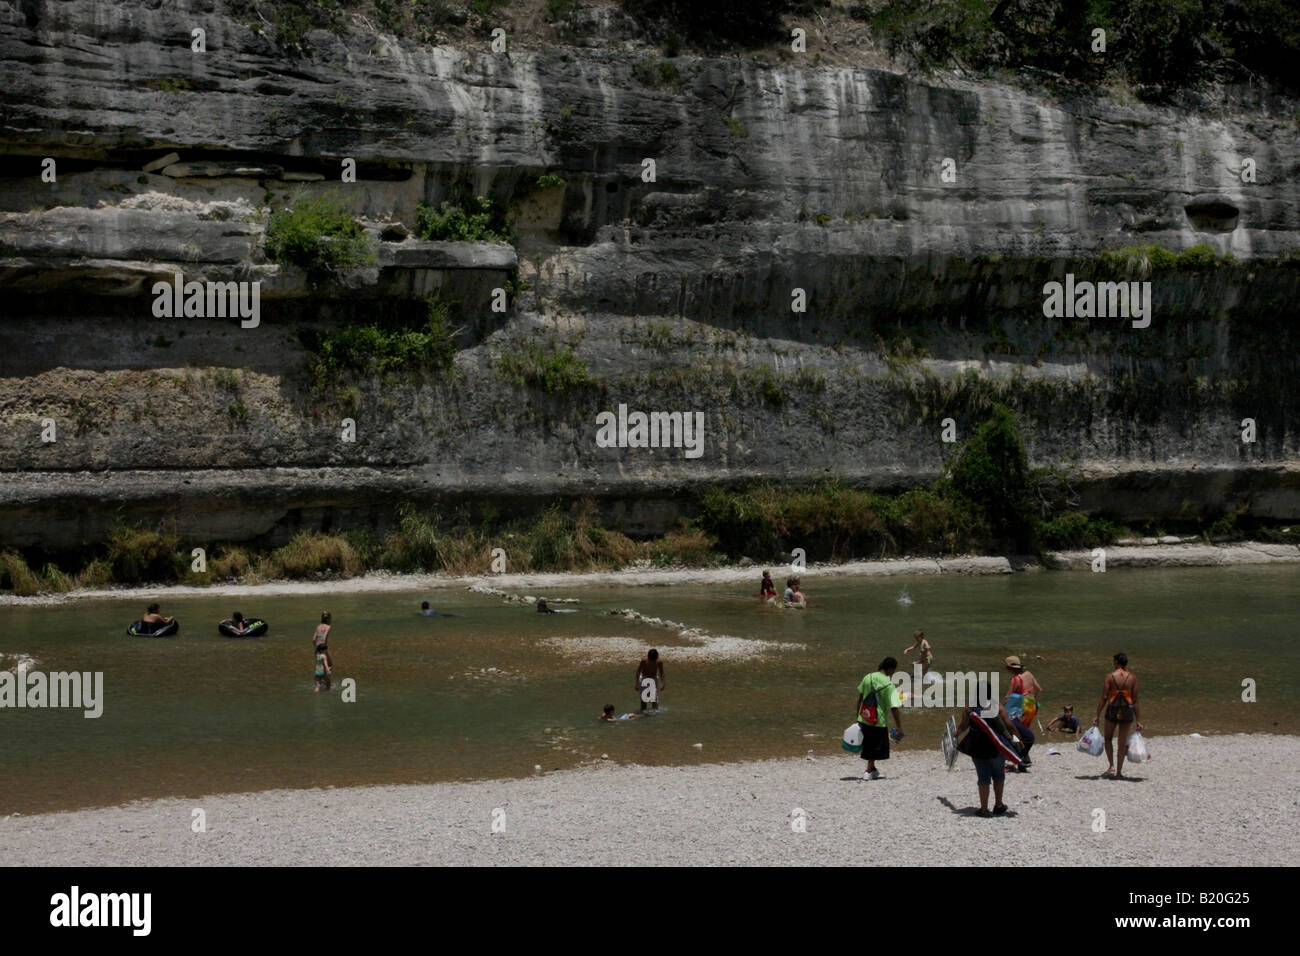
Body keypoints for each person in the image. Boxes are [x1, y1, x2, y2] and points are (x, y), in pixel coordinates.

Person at [955, 682, 1021, 816]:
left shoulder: (969, 707)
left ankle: (984, 809)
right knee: (998, 775)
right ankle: (998, 805)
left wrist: (955, 735)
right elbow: (1009, 726)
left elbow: (963, 727)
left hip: (978, 747)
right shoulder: (997, 706)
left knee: (983, 777)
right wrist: (1018, 741)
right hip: (996, 746)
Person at [1093, 653, 1143, 779]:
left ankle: (1111, 766)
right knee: (1122, 742)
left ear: (1116, 662)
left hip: (1113, 709)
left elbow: (1104, 697)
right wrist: (1139, 720)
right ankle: (1119, 773)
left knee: (1108, 738)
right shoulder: (1133, 678)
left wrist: (1097, 715)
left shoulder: (1110, 677)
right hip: (1127, 710)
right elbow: (1135, 700)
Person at [854, 657, 903, 780]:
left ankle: (873, 769)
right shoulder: (889, 685)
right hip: (878, 720)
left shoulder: (868, 677)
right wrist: (899, 726)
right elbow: (894, 708)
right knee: (875, 746)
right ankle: (868, 770)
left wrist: (857, 716)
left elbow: (860, 697)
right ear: (891, 669)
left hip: (864, 717)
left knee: (869, 744)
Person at [1003, 655, 1043, 726]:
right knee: (1025, 728)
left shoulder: (1015, 679)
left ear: (1009, 668)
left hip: (1023, 707)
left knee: (1014, 728)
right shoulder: (1029, 674)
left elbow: (1007, 698)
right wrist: (1034, 700)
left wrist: (1000, 708)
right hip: (1032, 705)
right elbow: (1039, 689)